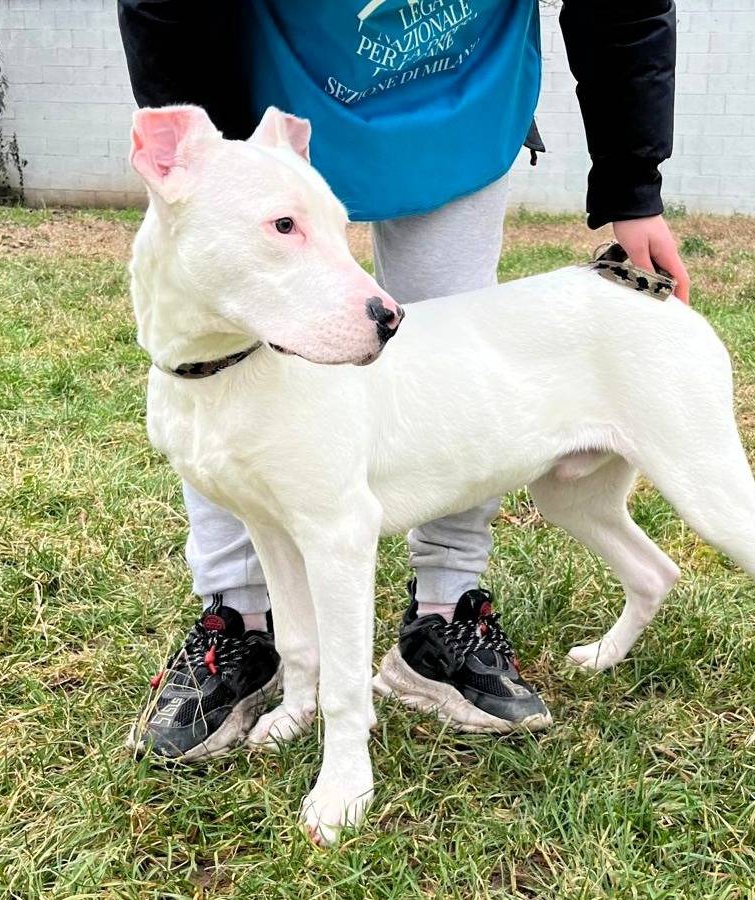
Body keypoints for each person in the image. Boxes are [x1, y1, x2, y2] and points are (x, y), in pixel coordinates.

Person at [118, 0, 690, 758]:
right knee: (223, 358)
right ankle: (241, 620)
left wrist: (632, 181)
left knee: (454, 365)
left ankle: (446, 610)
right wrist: (215, 164)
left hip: (460, 92)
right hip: (278, 76)